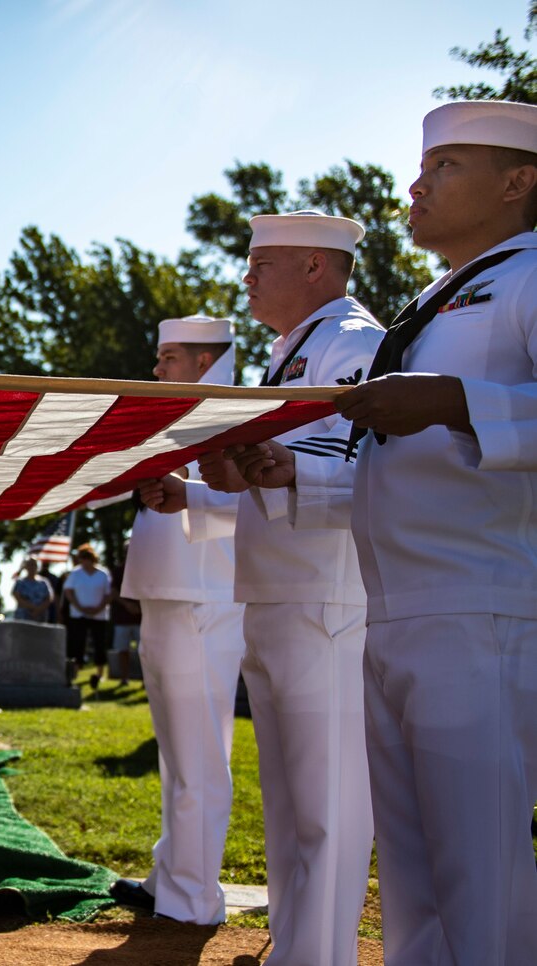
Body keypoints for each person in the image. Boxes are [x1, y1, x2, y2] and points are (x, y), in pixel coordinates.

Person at [318, 100, 537, 964]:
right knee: (414, 890)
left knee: (483, 883)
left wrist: (452, 401)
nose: (416, 184)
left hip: (478, 607)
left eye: (446, 166)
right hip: (399, 609)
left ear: (520, 181)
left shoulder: (529, 276)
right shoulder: (438, 297)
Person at [143, 211, 383, 966]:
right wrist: (212, 490)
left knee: (327, 808)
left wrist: (256, 466)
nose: (245, 275)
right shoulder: (297, 350)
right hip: (282, 593)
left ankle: (319, 957)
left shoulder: (352, 342)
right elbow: (279, 474)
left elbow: (344, 468)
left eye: (260, 261)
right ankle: (298, 951)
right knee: (290, 809)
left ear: (315, 266)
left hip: (324, 598)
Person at [115, 315, 246, 924]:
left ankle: (193, 895)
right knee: (177, 753)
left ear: (204, 361)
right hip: (170, 594)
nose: (158, 368)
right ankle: (172, 875)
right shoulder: (179, 414)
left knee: (197, 755)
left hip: (204, 594)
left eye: (170, 357)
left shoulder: (233, 414)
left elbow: (250, 501)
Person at [61, 545, 112, 688]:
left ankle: (100, 672)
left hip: (99, 615)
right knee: (78, 643)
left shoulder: (103, 574)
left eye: (86, 559)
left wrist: (98, 608)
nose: (84, 562)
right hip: (79, 615)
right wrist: (80, 607)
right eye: (82, 559)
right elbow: (68, 592)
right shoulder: (75, 574)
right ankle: (76, 670)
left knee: (99, 644)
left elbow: (108, 594)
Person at [10, 557, 53, 622]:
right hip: (24, 617)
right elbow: (17, 597)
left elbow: (49, 598)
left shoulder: (44, 582)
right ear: (26, 567)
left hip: (40, 617)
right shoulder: (20, 582)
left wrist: (39, 610)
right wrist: (33, 608)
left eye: (34, 565)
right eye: (30, 565)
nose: (32, 567)